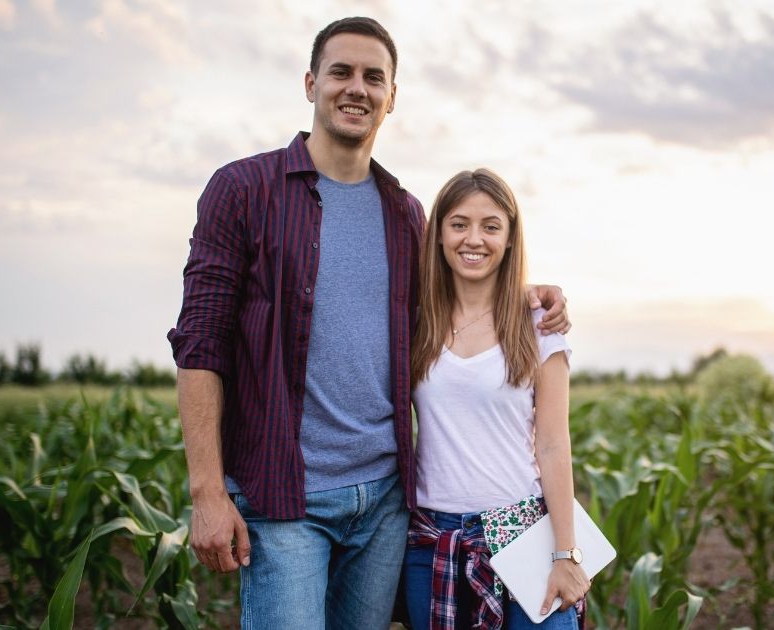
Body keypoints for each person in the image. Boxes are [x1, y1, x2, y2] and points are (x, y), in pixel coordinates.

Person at [167, 17, 570, 628]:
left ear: (391, 98)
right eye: (341, 72)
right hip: (285, 500)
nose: (357, 88)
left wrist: (525, 292)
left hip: (385, 503)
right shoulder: (244, 190)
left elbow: (466, 275)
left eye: (373, 77)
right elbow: (200, 343)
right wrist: (206, 491)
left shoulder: (405, 213)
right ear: (310, 83)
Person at [403, 169, 590, 629]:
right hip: (434, 541)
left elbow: (552, 445)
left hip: (524, 536)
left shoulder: (538, 327)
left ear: (509, 239)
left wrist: (566, 553)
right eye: (459, 223)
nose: (474, 238)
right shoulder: (415, 323)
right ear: (440, 235)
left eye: (491, 226)